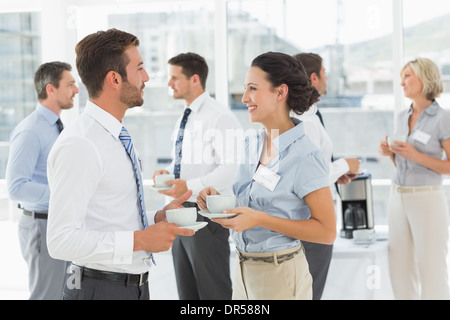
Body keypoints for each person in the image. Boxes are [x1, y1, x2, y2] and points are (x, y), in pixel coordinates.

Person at [46, 29, 194, 300]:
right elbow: (60, 240)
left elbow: (110, 214)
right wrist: (140, 241)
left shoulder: (116, 136)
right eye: (139, 68)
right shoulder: (81, 145)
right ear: (114, 79)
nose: (146, 77)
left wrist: (156, 218)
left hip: (134, 286)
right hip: (99, 289)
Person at [196, 52, 336, 300]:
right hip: (242, 269)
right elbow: (250, 203)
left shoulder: (305, 156)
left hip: (280, 275)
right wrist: (218, 200)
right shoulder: (251, 143)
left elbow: (327, 231)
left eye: (253, 88)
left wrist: (260, 219)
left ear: (280, 93)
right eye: (245, 88)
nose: (244, 98)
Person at [153, 52, 242, 300]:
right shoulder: (187, 116)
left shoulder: (220, 116)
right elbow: (190, 164)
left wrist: (187, 187)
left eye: (174, 78)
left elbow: (232, 168)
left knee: (212, 294)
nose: (169, 84)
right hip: (180, 214)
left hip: (205, 215)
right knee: (187, 294)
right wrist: (169, 176)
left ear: (194, 79)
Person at [5, 61, 78, 299]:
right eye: (70, 84)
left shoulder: (56, 126)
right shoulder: (31, 131)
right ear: (51, 89)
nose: (76, 90)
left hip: (58, 223)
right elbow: (16, 186)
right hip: (41, 225)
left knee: (63, 294)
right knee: (47, 295)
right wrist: (62, 196)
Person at [379, 57, 450, 300]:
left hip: (427, 201)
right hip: (397, 198)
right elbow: (403, 163)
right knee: (399, 267)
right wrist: (392, 154)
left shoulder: (443, 118)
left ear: (425, 78)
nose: (402, 82)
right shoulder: (401, 117)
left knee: (431, 269)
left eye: (407, 76)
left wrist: (416, 156)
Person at [292, 53, 360, 300]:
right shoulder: (305, 121)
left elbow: (314, 168)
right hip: (314, 216)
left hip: (312, 213)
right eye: (324, 72)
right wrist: (344, 164)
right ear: (314, 78)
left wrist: (336, 173)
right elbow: (305, 175)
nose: (327, 77)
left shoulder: (310, 116)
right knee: (310, 290)